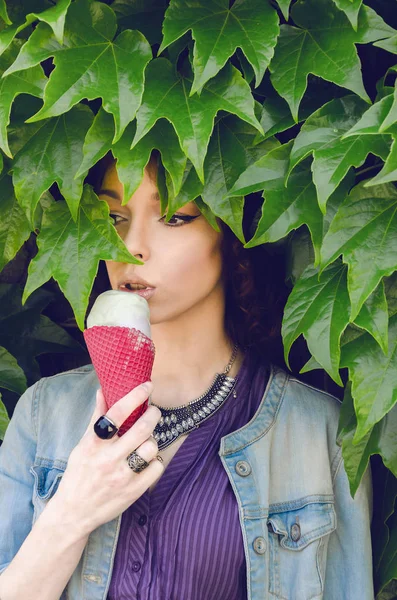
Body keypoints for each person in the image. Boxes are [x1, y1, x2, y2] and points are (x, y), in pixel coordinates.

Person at [0, 151, 373, 600]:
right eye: (114, 216)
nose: (130, 245)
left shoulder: (320, 435)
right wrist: (72, 512)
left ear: (231, 233)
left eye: (174, 217)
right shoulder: (44, 412)